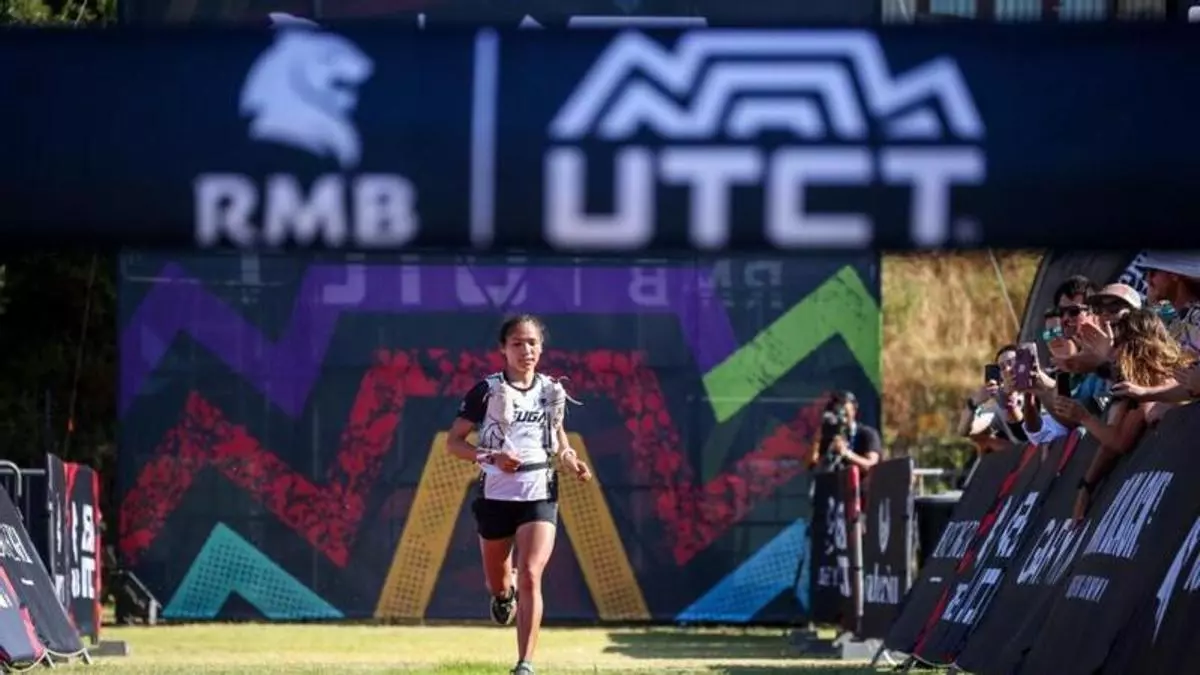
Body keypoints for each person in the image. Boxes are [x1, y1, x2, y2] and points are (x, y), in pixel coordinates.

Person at [446, 315, 592, 675]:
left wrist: (569, 458)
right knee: (499, 583)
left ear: (541, 348)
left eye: (532, 343)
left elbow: (558, 436)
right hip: (496, 495)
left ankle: (525, 664)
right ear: (503, 349)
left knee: (530, 574)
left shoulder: (551, 390)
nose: (526, 350)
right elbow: (454, 442)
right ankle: (503, 595)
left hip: (539, 492)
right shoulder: (488, 390)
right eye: (517, 343)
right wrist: (491, 456)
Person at [1049, 309, 1196, 522]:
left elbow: (1120, 440)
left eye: (1117, 347)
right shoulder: (1133, 391)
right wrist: (1086, 486)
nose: (1115, 358)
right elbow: (1114, 442)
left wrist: (1084, 417)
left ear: (1137, 346)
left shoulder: (1184, 374)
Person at [1139, 253, 1200, 357]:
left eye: (1153, 272)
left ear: (1174, 275)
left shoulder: (1196, 318)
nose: (1148, 279)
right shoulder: (1170, 313)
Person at [807, 391, 882, 473]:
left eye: (845, 413)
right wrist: (817, 441)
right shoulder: (829, 434)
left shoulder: (867, 434)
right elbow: (810, 465)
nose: (842, 418)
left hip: (857, 480)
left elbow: (872, 466)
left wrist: (846, 453)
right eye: (837, 412)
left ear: (854, 411)